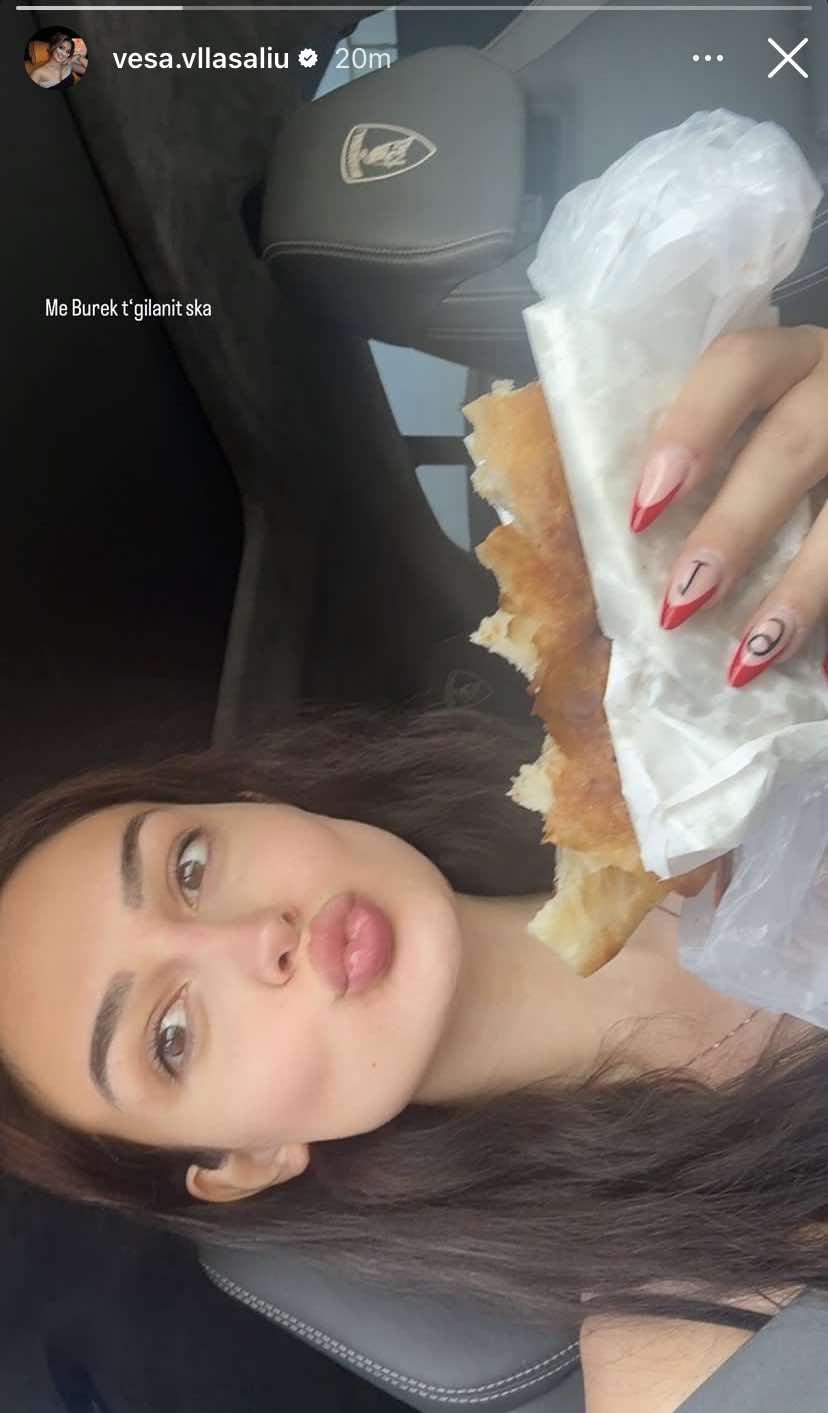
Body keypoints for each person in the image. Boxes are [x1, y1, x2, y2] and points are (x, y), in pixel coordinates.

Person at [0, 326, 827, 1401]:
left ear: (257, 802)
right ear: (246, 1160)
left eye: (190, 867)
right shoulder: (692, 1349)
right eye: (171, 1035)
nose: (256, 938)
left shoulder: (689, 667)